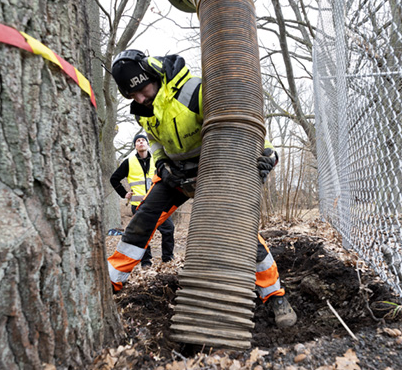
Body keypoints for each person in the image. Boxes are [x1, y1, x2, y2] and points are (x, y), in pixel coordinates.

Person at [107, 49, 297, 328]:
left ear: (153, 74)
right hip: (176, 176)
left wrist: (267, 154)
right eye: (131, 96)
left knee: (241, 230)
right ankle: (110, 284)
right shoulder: (143, 111)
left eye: (142, 89)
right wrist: (161, 166)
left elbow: (238, 122)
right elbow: (156, 143)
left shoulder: (195, 92)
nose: (140, 99)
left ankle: (274, 296)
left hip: (215, 170)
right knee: (142, 221)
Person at [110, 132, 175, 268]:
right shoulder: (129, 162)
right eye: (138, 141)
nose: (141, 142)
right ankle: (146, 262)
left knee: (168, 229)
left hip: (159, 203)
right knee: (143, 234)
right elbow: (114, 179)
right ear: (135, 145)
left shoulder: (157, 159)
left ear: (147, 144)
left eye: (143, 140)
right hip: (139, 205)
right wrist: (124, 194)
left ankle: (167, 259)